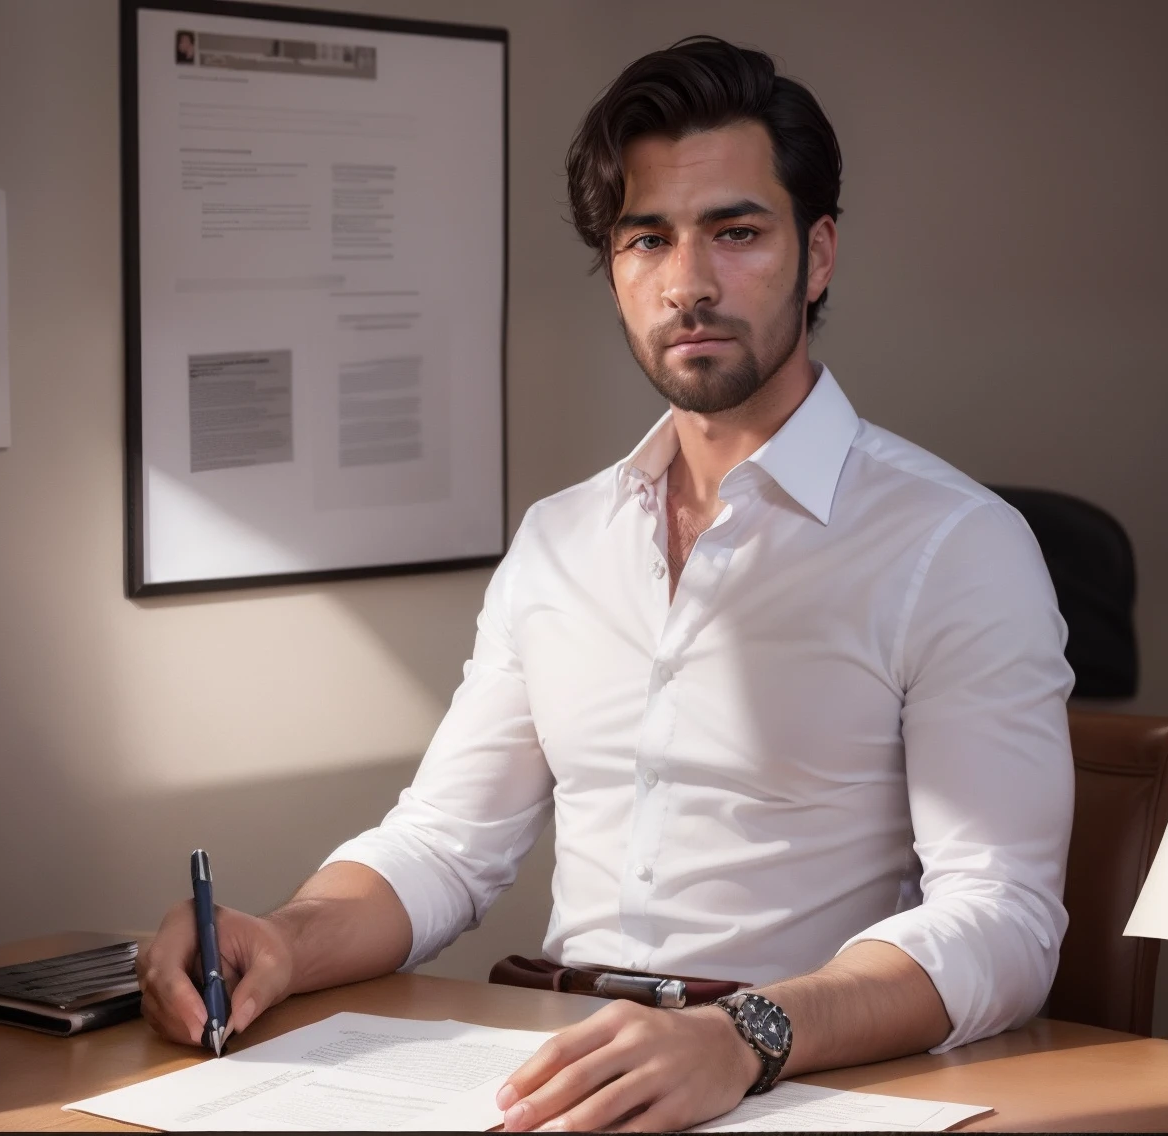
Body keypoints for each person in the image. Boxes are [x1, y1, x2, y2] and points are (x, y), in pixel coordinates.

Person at [138, 35, 1074, 1133]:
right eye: (647, 238)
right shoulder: (559, 540)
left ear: (816, 255)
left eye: (735, 232)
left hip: (790, 1080)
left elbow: (1003, 917)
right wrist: (285, 938)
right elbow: (445, 842)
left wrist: (743, 1038)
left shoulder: (955, 544)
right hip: (551, 1067)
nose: (688, 283)